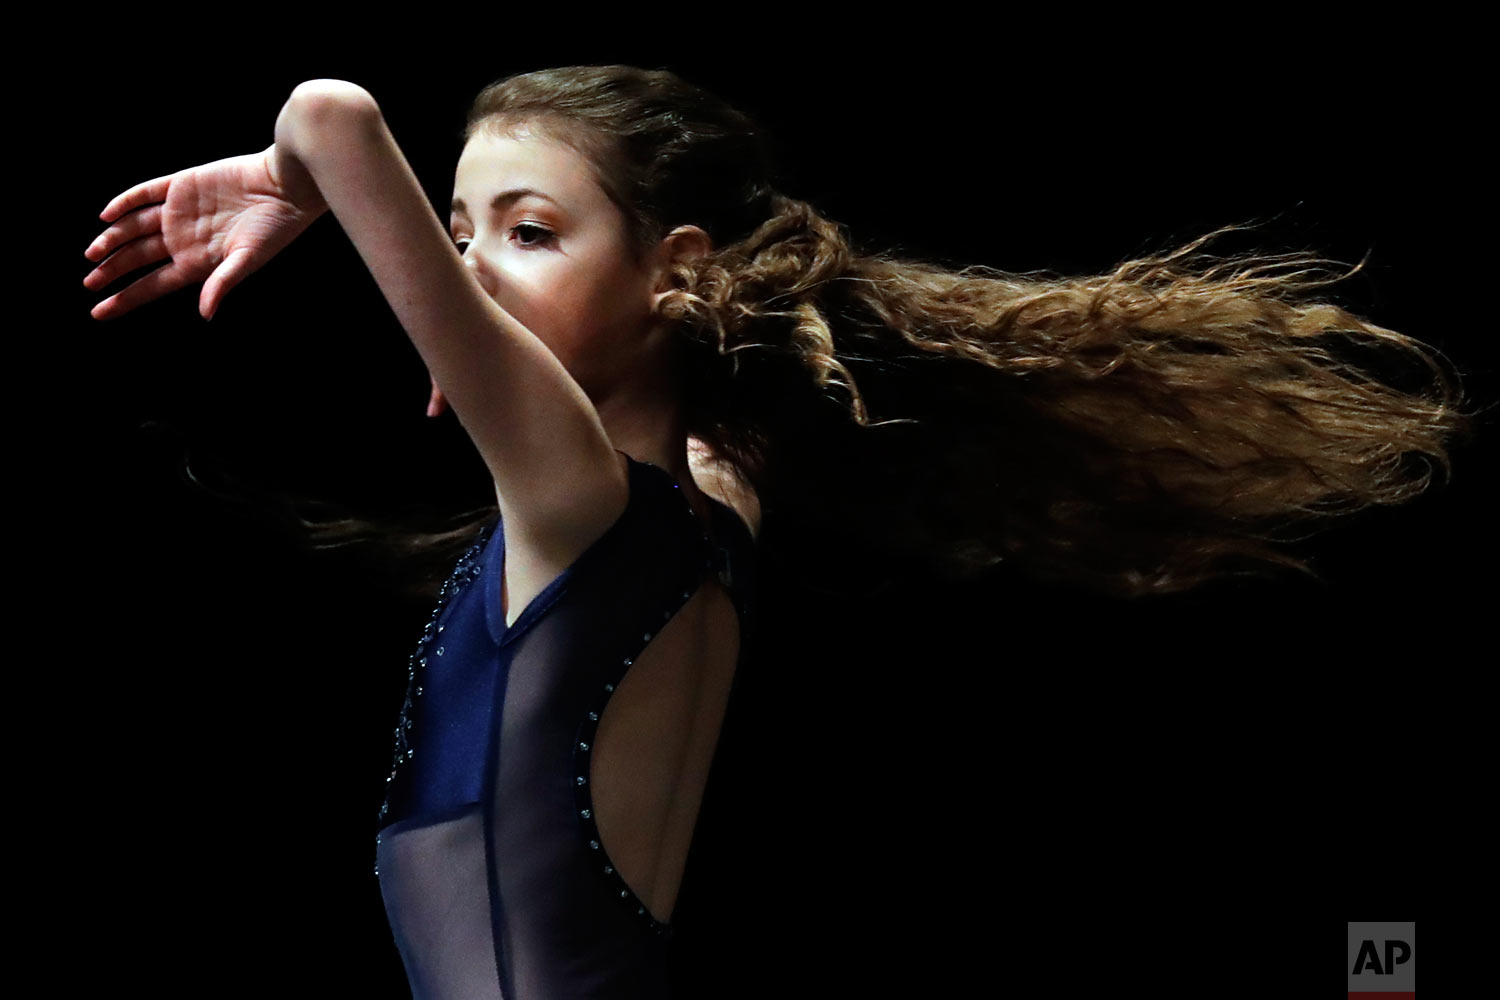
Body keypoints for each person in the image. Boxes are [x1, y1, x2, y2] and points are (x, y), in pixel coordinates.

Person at [82, 64, 1479, 998]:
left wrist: (290, 179)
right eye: (455, 231)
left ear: (671, 272)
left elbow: (330, 112)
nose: (462, 274)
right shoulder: (714, 487)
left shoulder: (577, 493)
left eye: (526, 231)